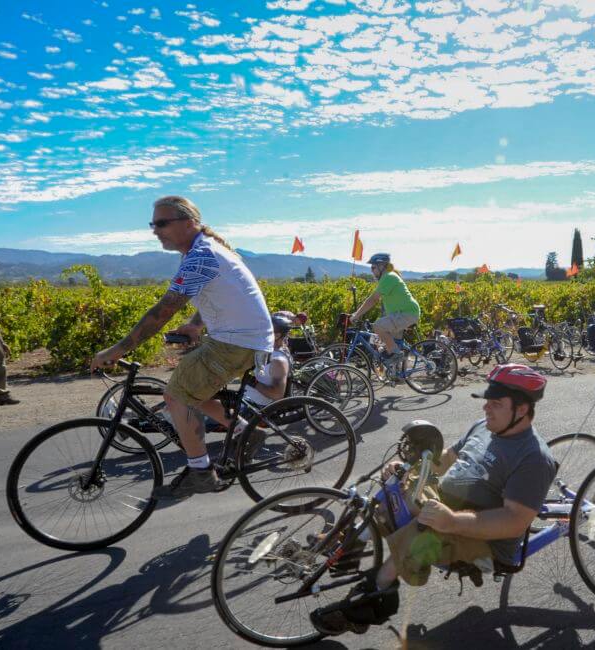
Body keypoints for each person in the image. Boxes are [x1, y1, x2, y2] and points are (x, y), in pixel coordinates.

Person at [309, 364, 557, 636]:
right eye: (487, 401)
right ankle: (347, 545)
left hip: (484, 542)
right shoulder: (484, 427)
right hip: (444, 506)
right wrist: (408, 471)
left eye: (496, 404)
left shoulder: (533, 458)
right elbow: (446, 459)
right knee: (391, 493)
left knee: (418, 536)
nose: (486, 408)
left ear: (521, 410)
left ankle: (363, 606)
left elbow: (514, 523)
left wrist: (451, 521)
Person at [91, 195, 273, 499]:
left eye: (162, 223)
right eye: (152, 224)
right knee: (191, 389)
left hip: (237, 341)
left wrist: (116, 350)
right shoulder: (203, 251)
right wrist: (195, 325)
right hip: (237, 338)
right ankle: (245, 430)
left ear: (188, 222)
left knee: (176, 395)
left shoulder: (200, 255)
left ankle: (201, 472)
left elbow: (162, 312)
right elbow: (220, 296)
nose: (155, 230)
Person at [349, 253, 421, 372]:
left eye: (373, 267)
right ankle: (397, 374)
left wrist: (356, 315)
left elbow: (373, 299)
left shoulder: (388, 277)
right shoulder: (387, 277)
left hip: (407, 313)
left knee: (378, 326)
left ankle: (396, 354)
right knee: (386, 345)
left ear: (381, 266)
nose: (371, 271)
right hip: (400, 314)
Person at [246, 312, 295, 407]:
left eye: (266, 331)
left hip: (255, 406)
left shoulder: (278, 361)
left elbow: (277, 395)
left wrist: (252, 381)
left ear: (277, 336)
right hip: (246, 399)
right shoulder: (273, 350)